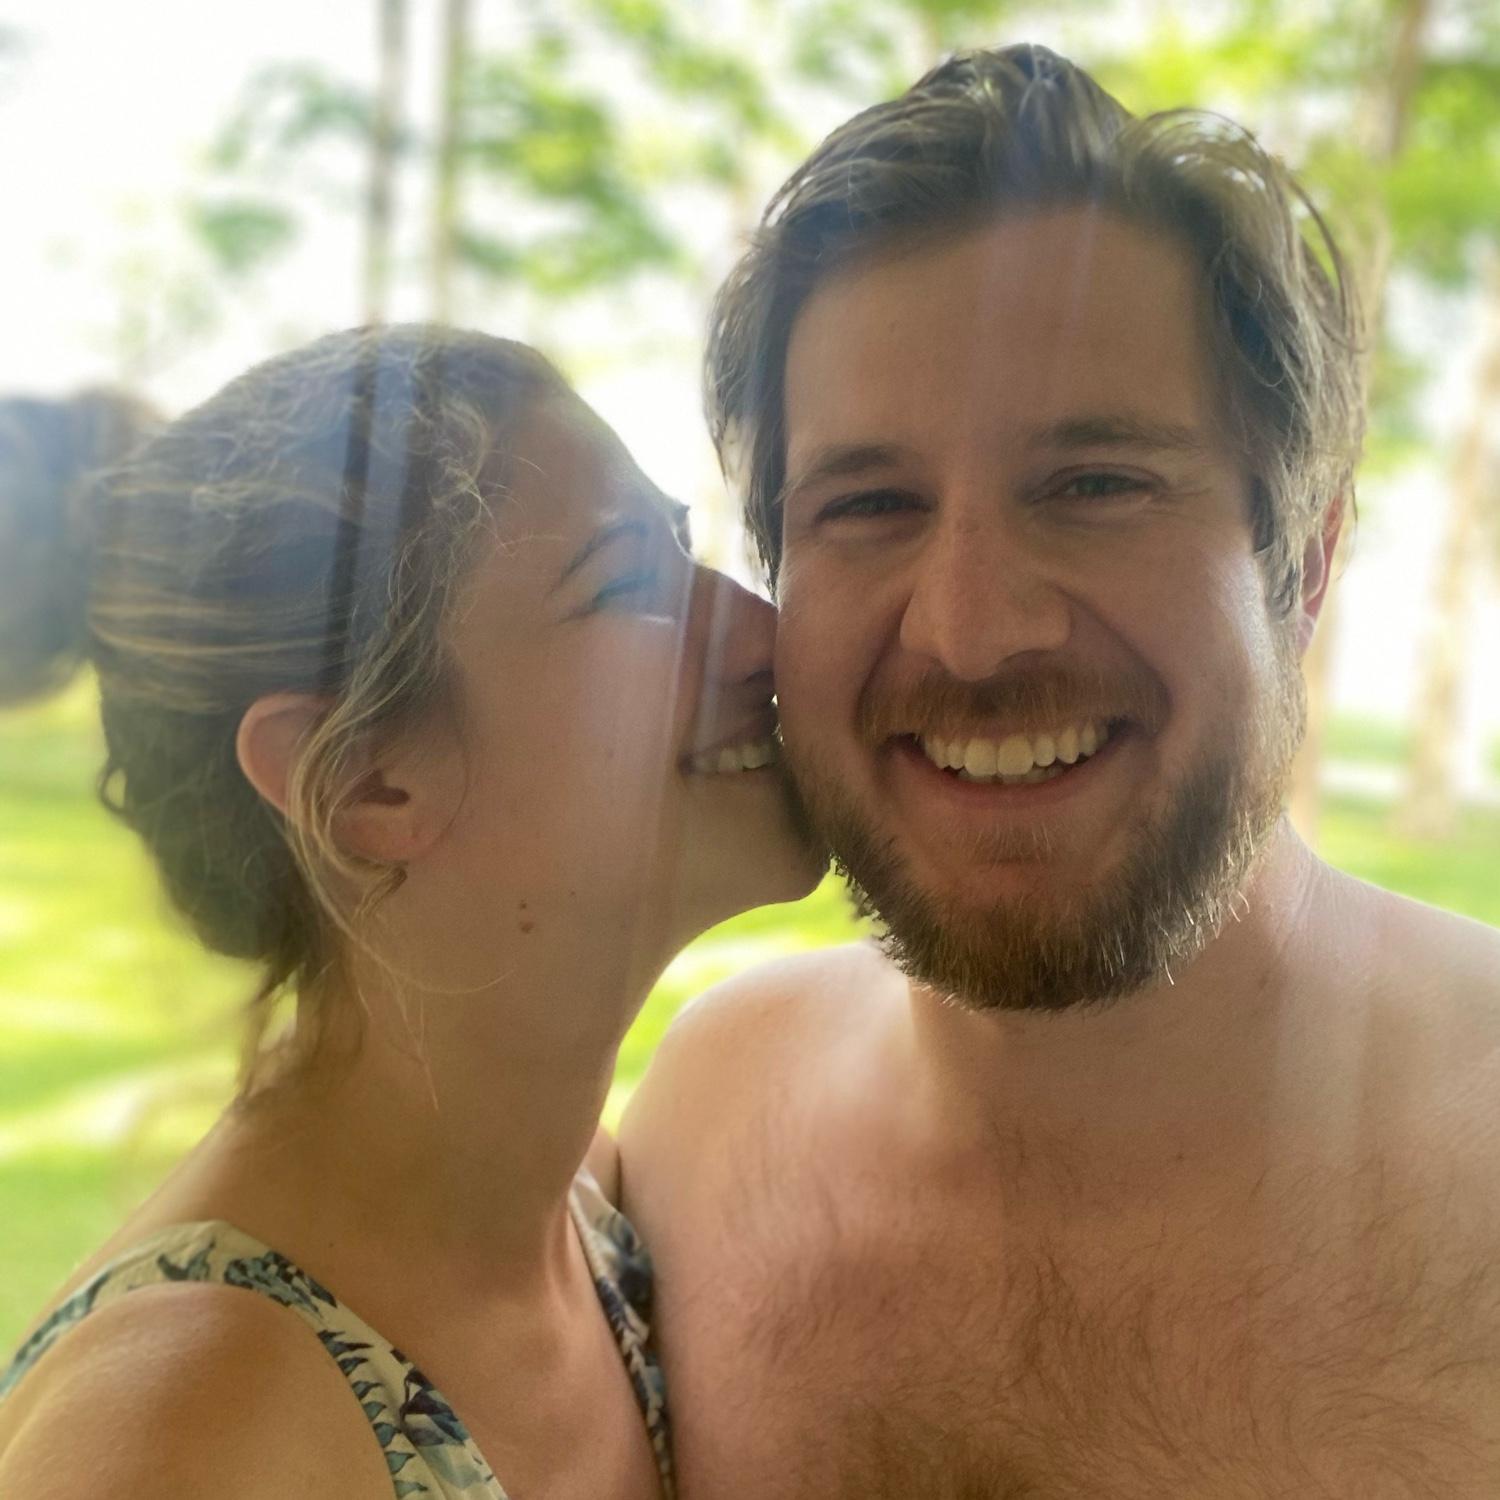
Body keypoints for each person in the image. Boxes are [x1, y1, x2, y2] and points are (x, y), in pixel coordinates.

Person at [620, 44, 1500, 1496]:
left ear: (1303, 557)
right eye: (870, 504)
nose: (971, 632)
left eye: (1095, 485)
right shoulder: (699, 1127)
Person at [0, 328, 821, 1499]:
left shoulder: (590, 1209)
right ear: (366, 786)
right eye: (628, 587)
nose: (762, 633)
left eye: (684, 551)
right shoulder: (191, 1440)